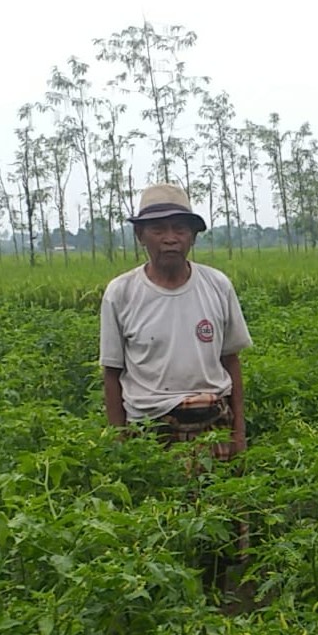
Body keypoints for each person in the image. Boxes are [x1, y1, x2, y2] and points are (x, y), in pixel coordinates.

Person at [100, 183, 252, 459]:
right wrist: (118, 443)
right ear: (140, 235)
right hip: (149, 430)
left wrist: (239, 435)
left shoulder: (217, 285)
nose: (170, 238)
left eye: (180, 229)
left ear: (192, 237)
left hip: (213, 425)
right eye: (158, 229)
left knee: (222, 487)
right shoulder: (121, 293)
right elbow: (112, 374)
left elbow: (231, 361)